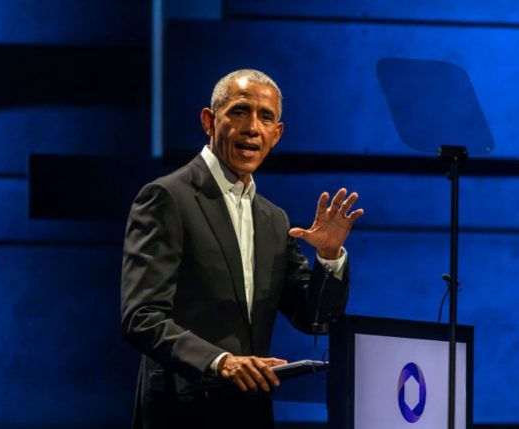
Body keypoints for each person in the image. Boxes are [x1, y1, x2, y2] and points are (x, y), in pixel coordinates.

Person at [121, 69, 363, 428]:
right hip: (181, 412)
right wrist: (220, 361)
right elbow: (141, 318)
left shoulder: (273, 220)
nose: (252, 127)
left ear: (276, 135)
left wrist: (327, 258)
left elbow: (314, 319)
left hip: (249, 413)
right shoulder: (167, 198)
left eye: (266, 117)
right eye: (239, 111)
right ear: (209, 120)